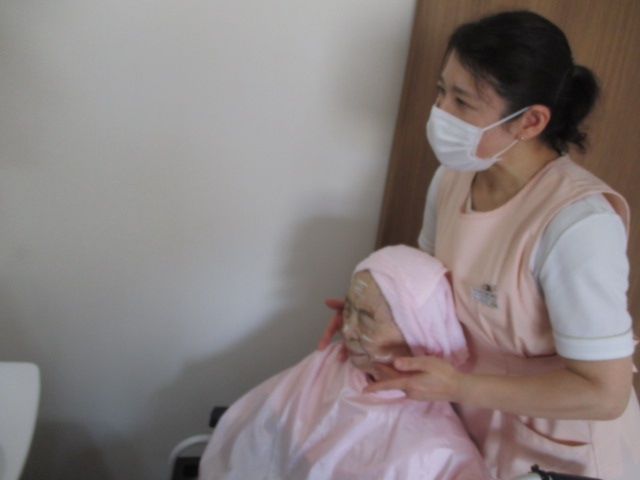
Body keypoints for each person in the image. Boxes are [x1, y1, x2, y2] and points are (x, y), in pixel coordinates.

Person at [318, 10, 640, 480]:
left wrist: (460, 386)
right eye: (440, 91)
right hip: (466, 421)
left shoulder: (577, 224)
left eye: (462, 102)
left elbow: (604, 394)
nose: (440, 112)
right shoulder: (450, 180)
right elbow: (431, 292)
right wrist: (374, 312)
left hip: (560, 448)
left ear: (529, 121)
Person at [198, 246, 490, 480]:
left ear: (416, 331)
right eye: (348, 309)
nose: (347, 330)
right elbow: (262, 438)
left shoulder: (438, 451)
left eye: (366, 319)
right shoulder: (331, 363)